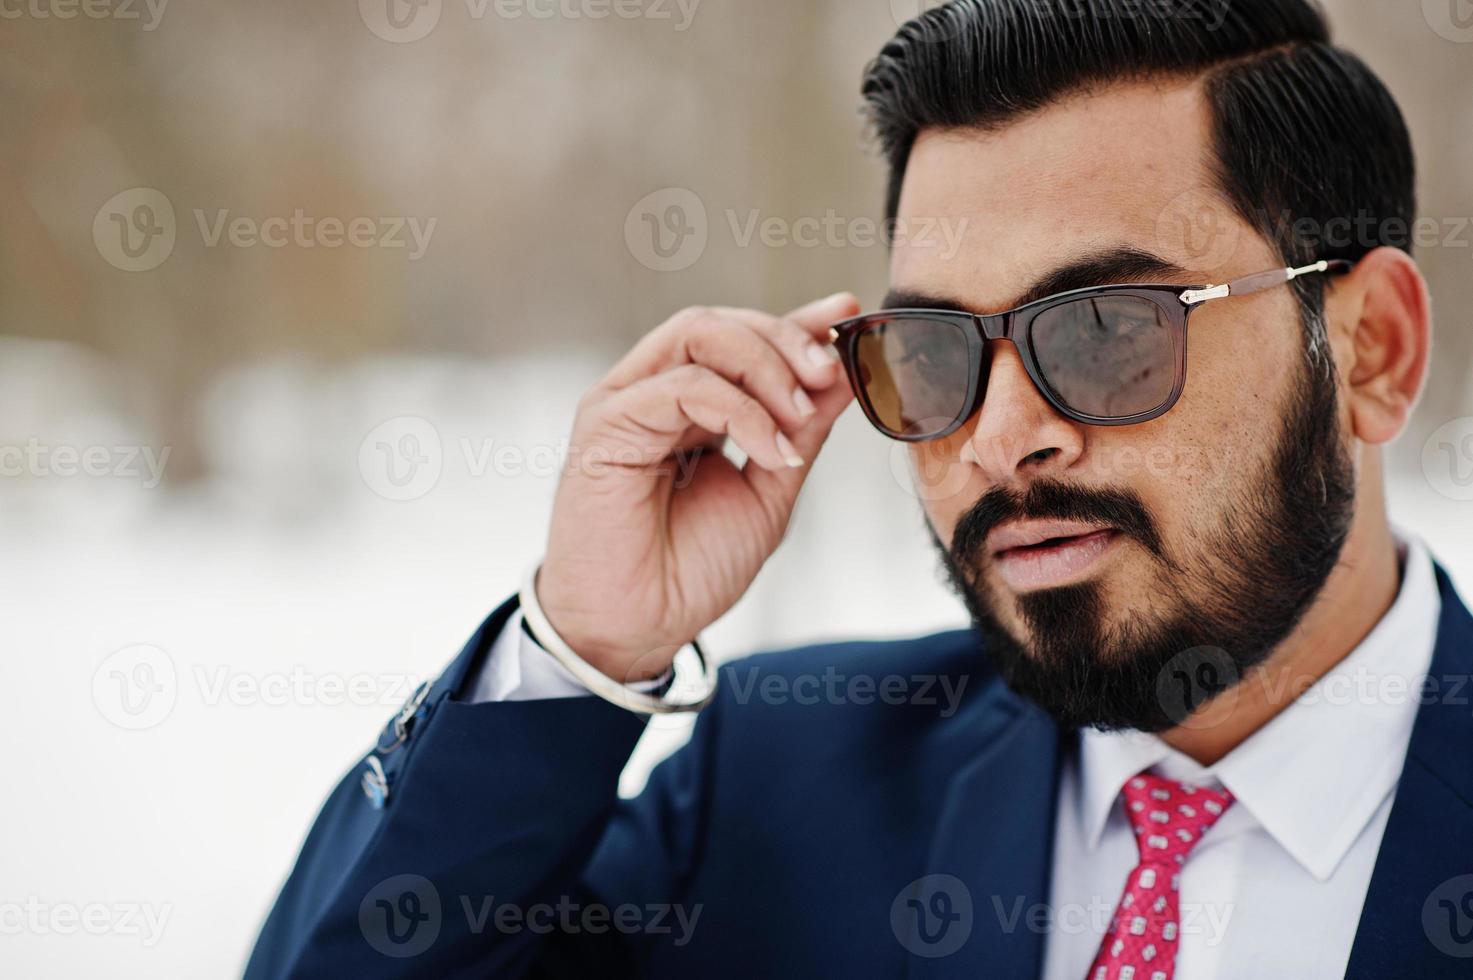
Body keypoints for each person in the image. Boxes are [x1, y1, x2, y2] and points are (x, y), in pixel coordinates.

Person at [245, 1, 1473, 977]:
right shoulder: (779, 792)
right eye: (935, 352)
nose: (999, 440)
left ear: (1371, 351)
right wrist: (585, 640)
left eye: (1106, 330)